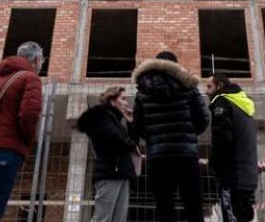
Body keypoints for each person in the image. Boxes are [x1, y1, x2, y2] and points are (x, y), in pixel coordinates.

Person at [0, 42, 45, 222]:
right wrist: (27, 141)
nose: (42, 63)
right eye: (42, 59)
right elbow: (29, 114)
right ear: (36, 59)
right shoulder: (30, 78)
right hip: (9, 148)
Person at [132, 51, 210, 222]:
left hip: (157, 155)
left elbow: (137, 126)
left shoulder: (142, 89)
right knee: (193, 205)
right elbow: (202, 120)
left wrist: (153, 136)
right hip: (186, 154)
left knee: (164, 207)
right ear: (176, 65)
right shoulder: (189, 86)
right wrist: (187, 133)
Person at [77, 86, 139, 222]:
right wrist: (130, 144)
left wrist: (130, 124)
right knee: (103, 218)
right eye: (123, 99)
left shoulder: (116, 122)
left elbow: (132, 143)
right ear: (112, 101)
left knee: (119, 219)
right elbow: (117, 140)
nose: (126, 103)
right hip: (109, 172)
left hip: (122, 173)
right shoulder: (100, 115)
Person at [207, 73, 258, 222]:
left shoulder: (221, 102)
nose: (206, 91)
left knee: (232, 217)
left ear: (220, 86)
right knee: (243, 216)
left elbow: (221, 140)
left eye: (209, 86)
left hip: (232, 176)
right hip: (247, 175)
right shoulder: (242, 104)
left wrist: (215, 166)